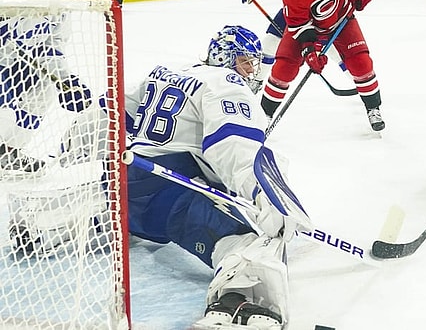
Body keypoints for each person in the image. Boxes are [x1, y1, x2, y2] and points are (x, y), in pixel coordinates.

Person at [47, 26, 310, 328]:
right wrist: (271, 199)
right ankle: (242, 301)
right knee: (249, 239)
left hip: (122, 187)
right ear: (225, 57)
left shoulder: (169, 71)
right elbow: (233, 146)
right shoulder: (226, 83)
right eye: (245, 61)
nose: (251, 71)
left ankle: (58, 219)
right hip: (172, 196)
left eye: (253, 62)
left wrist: (71, 146)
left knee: (130, 199)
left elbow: (112, 109)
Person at [260, 0, 385, 131]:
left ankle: (373, 108)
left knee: (361, 63)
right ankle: (263, 115)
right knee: (284, 69)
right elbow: (299, 24)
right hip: (307, 26)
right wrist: (309, 51)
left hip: (341, 18)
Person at [0, 0, 90, 173]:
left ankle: (9, 152)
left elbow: (52, 48)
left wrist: (67, 81)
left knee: (44, 89)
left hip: (11, 64)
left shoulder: (59, 5)